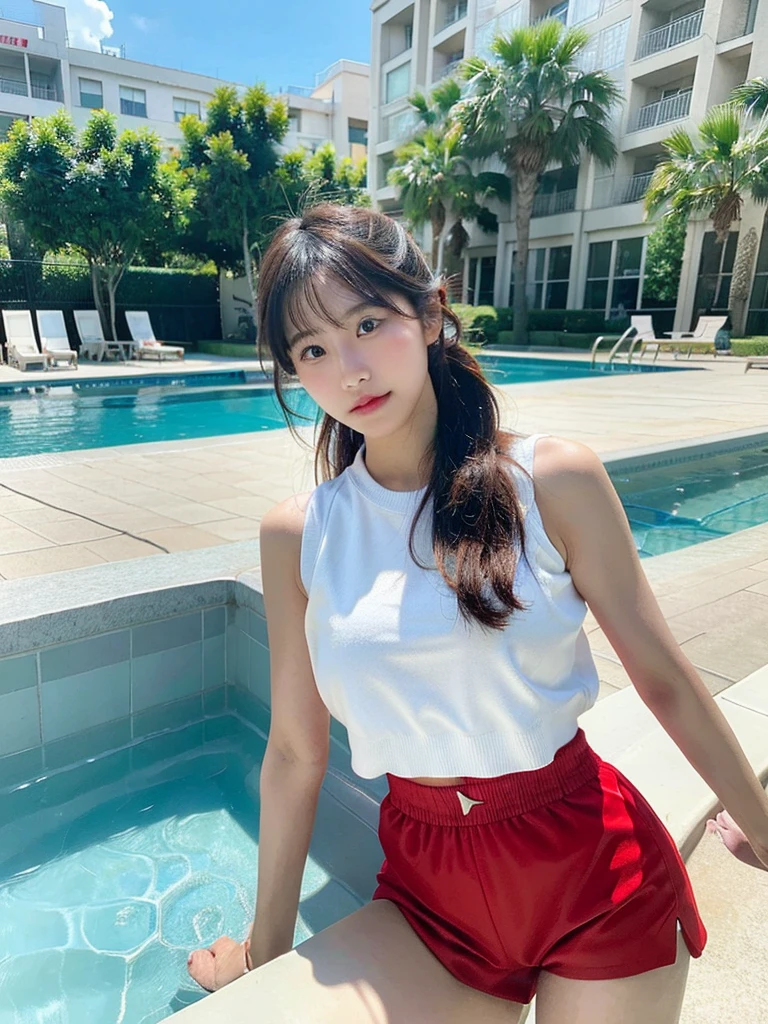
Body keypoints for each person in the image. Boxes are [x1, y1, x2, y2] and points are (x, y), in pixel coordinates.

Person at [187, 204, 768, 1022]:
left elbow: (664, 678)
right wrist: (269, 954)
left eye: (368, 323)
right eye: (312, 350)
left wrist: (763, 827)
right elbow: (291, 752)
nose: (348, 368)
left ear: (429, 315)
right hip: (429, 889)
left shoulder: (552, 480)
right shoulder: (299, 533)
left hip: (591, 866)